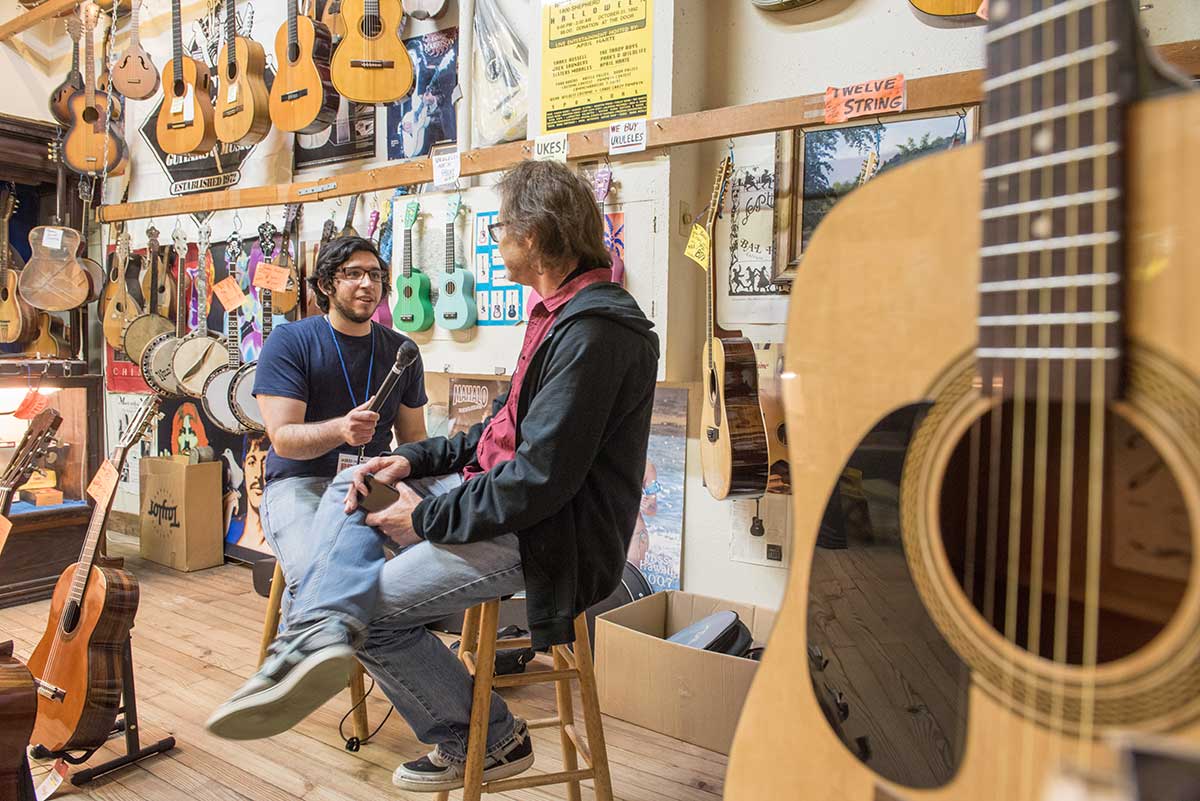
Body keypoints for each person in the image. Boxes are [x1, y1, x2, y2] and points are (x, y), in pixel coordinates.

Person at [206, 160, 660, 794]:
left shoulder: (593, 333)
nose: (497, 240)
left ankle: (489, 737)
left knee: (367, 614)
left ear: (531, 235)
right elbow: (500, 432)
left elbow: (537, 481)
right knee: (358, 479)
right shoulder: (560, 314)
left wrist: (421, 517)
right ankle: (312, 632)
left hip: (549, 539)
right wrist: (412, 463)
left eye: (501, 228)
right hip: (513, 509)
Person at [243, 234, 429, 620]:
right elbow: (284, 440)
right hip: (300, 483)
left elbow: (415, 439)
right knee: (319, 579)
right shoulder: (291, 341)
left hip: (374, 485)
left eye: (376, 275)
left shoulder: (402, 350)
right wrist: (340, 431)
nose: (368, 284)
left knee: (432, 565)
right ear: (327, 284)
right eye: (354, 274)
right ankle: (299, 670)